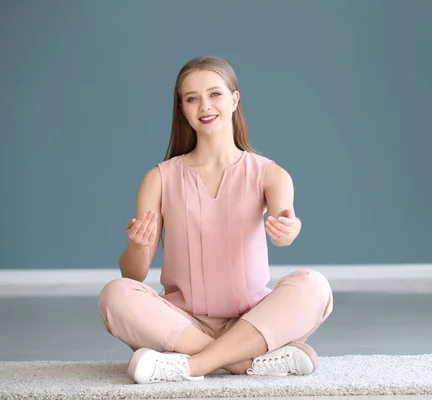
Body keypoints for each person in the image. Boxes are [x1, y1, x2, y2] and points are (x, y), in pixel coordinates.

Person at [98, 56, 333, 384]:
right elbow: (133, 275)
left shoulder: (270, 174)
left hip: (252, 319)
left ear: (234, 99)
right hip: (182, 323)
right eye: (192, 98)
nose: (204, 106)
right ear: (182, 109)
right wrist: (137, 245)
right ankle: (245, 362)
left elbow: (285, 223)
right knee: (115, 294)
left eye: (215, 94)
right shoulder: (159, 178)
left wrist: (287, 231)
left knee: (314, 286)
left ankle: (191, 366)